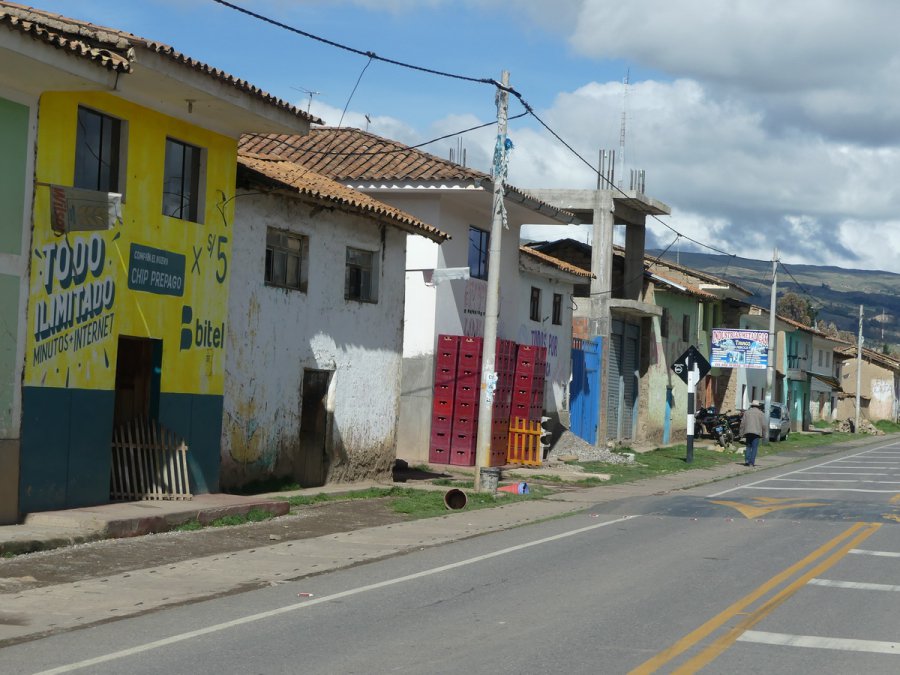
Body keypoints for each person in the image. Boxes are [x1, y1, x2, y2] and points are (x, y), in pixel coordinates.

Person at [739, 400, 767, 467]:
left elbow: (742, 424)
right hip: (756, 433)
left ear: (752, 406)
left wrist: (741, 433)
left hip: (748, 432)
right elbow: (764, 425)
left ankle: (747, 461)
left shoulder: (746, 412)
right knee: (754, 448)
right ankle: (751, 462)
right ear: (758, 406)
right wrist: (764, 435)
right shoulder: (761, 413)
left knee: (748, 446)